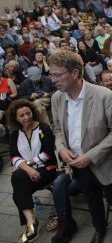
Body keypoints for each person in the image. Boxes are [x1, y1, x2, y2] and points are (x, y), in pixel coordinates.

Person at [48, 50, 112, 243]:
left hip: (104, 163)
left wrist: (91, 156)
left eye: (57, 74)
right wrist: (61, 149)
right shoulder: (57, 98)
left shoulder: (104, 96)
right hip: (77, 165)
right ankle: (99, 228)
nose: (53, 80)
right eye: (51, 74)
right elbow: (58, 130)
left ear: (76, 73)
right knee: (92, 200)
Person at [8, 99, 57, 243]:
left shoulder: (44, 128)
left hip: (47, 169)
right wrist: (29, 169)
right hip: (27, 173)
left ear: (33, 112)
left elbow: (48, 153)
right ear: (16, 118)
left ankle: (30, 225)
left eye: (28, 113)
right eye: (21, 115)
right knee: (18, 181)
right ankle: (31, 222)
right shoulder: (15, 134)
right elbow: (14, 156)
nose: (26, 117)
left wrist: (26, 164)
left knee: (17, 189)